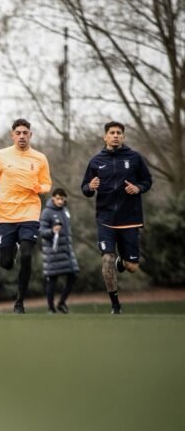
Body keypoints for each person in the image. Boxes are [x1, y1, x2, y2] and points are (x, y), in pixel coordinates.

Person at [81, 121, 152, 314]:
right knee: (106, 260)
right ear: (105, 137)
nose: (115, 135)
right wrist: (90, 187)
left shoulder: (134, 158)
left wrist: (138, 188)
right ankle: (115, 305)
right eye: (111, 133)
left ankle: (123, 261)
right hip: (106, 219)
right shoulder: (96, 161)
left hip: (130, 219)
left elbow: (147, 181)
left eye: (119, 133)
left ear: (123, 136)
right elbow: (85, 188)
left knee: (132, 267)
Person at [0, 118, 52, 313]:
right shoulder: (0, 156)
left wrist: (41, 188)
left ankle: (20, 301)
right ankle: (10, 250)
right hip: (6, 214)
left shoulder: (40, 158)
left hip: (30, 211)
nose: (22, 136)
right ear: (12, 135)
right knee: (6, 263)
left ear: (31, 135)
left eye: (25, 133)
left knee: (28, 255)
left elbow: (47, 183)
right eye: (18, 133)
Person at [39, 187, 79, 313]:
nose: (60, 201)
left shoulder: (65, 211)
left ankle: (61, 303)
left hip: (67, 252)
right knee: (52, 280)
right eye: (58, 198)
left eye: (62, 199)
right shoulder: (46, 212)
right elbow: (41, 231)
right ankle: (51, 308)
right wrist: (52, 231)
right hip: (53, 252)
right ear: (53, 198)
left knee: (73, 276)